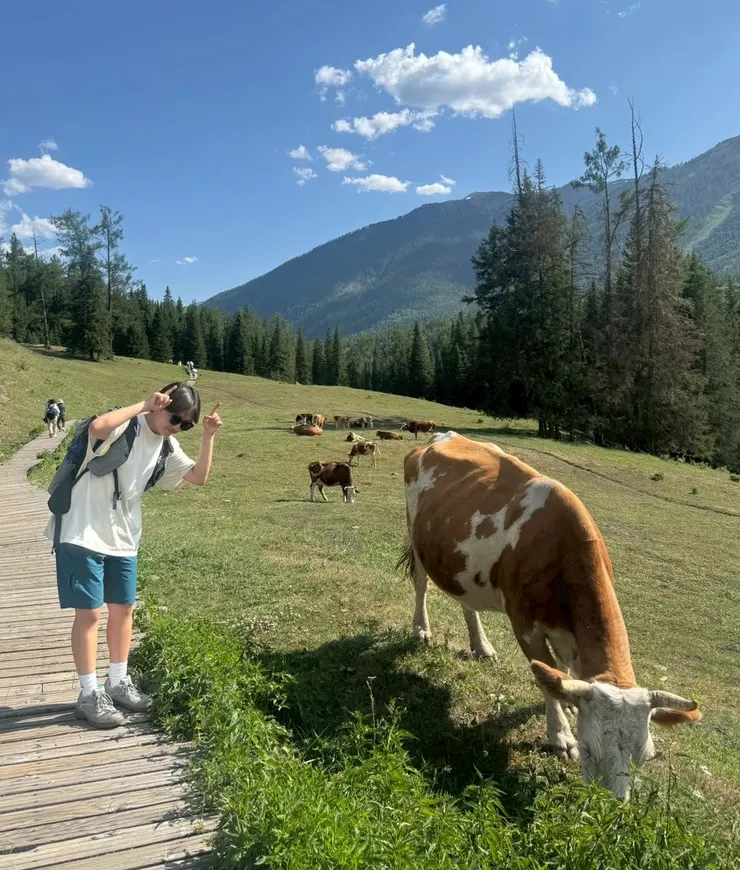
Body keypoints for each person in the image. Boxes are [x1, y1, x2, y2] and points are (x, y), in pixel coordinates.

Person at [45, 382, 223, 728]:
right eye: (175, 418)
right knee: (89, 614)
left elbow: (198, 477)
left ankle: (118, 681)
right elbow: (98, 428)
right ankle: (88, 693)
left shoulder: (167, 445)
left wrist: (207, 436)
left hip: (123, 536)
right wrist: (142, 405)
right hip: (82, 529)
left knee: (124, 609)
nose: (178, 427)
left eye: (186, 424)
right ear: (160, 405)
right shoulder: (127, 424)